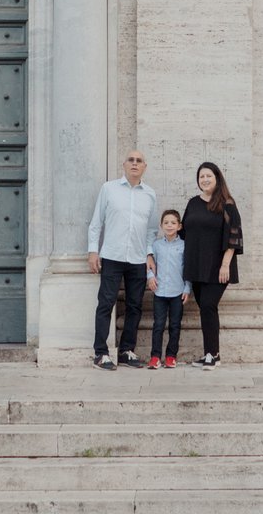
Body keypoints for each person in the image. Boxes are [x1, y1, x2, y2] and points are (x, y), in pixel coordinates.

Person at [86, 150, 156, 370]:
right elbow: (97, 222)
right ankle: (100, 353)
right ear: (124, 165)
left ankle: (127, 351)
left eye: (139, 161)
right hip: (112, 255)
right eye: (131, 160)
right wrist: (92, 251)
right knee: (106, 303)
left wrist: (149, 254)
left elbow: (152, 230)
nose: (135, 164)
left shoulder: (150, 195)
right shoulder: (109, 189)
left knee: (135, 306)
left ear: (145, 166)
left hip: (137, 259)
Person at [181, 161, 244, 368]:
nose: (205, 180)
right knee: (206, 309)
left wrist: (225, 265)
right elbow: (184, 232)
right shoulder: (192, 203)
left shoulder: (227, 204)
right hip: (196, 265)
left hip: (218, 267)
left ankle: (212, 354)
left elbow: (234, 237)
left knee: (208, 305)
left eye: (208, 176)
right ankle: (212, 354)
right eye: (201, 177)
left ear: (217, 178)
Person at [145, 208, 190, 369]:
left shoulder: (184, 246)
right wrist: (150, 278)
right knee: (158, 324)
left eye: (173, 223)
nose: (169, 225)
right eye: (166, 223)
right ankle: (155, 356)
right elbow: (150, 265)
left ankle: (171, 356)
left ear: (179, 226)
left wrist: (187, 288)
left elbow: (187, 269)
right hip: (160, 292)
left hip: (177, 292)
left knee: (174, 325)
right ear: (161, 225)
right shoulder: (156, 245)